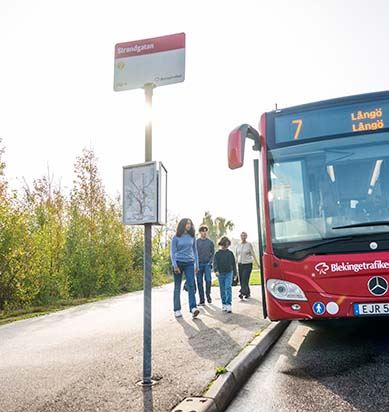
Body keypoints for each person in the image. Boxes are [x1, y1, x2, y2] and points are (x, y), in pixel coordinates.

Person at [170, 218, 200, 318]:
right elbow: (173, 253)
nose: (189, 225)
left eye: (190, 224)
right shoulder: (176, 237)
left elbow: (195, 251)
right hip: (178, 263)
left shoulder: (192, 237)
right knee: (177, 287)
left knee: (191, 285)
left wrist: (197, 265)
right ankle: (177, 309)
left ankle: (193, 308)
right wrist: (175, 265)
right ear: (182, 225)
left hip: (190, 263)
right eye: (187, 224)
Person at [213, 236, 237, 313]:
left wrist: (235, 274)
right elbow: (215, 263)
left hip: (229, 272)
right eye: (224, 245)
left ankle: (228, 304)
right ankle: (224, 303)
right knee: (222, 289)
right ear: (221, 244)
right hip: (220, 273)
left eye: (227, 245)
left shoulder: (230, 253)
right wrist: (216, 270)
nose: (226, 246)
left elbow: (233, 264)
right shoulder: (217, 253)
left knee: (228, 287)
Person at [235, 232, 259, 300]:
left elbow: (253, 254)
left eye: (244, 236)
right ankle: (247, 293)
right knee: (242, 280)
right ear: (240, 236)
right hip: (240, 264)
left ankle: (241, 293)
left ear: (246, 237)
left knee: (245, 279)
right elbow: (236, 255)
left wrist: (257, 263)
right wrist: (234, 265)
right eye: (242, 236)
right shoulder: (238, 245)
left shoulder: (249, 244)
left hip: (248, 264)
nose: (243, 237)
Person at [196, 225, 215, 305]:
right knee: (199, 282)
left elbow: (213, 253)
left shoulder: (210, 242)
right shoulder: (196, 242)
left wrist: (210, 262)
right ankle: (202, 299)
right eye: (202, 231)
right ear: (200, 232)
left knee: (208, 280)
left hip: (207, 264)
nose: (204, 232)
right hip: (198, 265)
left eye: (205, 231)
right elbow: (194, 253)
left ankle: (208, 294)